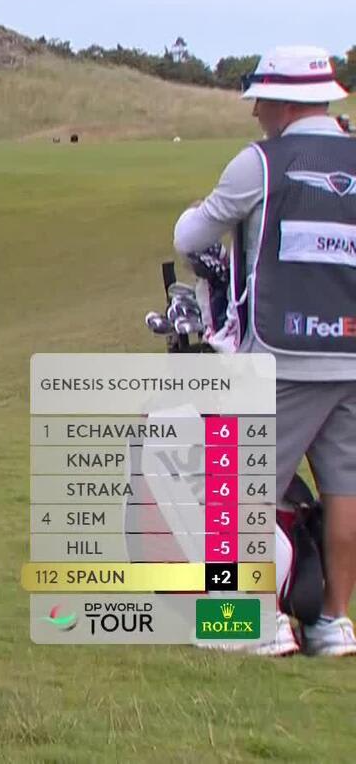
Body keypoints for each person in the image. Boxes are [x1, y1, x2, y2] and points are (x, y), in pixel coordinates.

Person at [174, 45, 356, 657]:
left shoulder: (262, 163)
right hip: (352, 353)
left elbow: (191, 235)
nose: (254, 110)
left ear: (284, 101)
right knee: (344, 492)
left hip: (283, 351)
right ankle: (330, 625)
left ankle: (248, 621)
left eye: (260, 99)